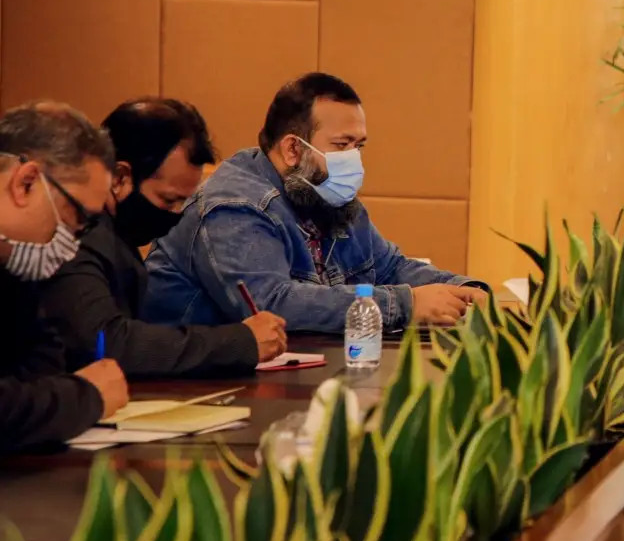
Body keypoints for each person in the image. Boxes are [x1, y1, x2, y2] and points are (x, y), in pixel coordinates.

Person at [144, 73, 488, 333]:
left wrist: (464, 290)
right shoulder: (233, 207)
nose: (354, 158)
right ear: (293, 149)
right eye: (342, 144)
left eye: (359, 146)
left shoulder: (327, 195)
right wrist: (404, 304)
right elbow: (272, 306)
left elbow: (389, 266)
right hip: (192, 387)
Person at [38, 99, 288, 377]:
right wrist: (239, 342)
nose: (175, 214)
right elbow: (107, 343)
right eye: (168, 200)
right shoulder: (77, 234)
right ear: (120, 177)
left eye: (183, 202)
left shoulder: (116, 234)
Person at [0, 102, 129, 450]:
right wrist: (86, 396)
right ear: (26, 183)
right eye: (79, 217)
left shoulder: (13, 266)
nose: (75, 241)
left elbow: (45, 365)